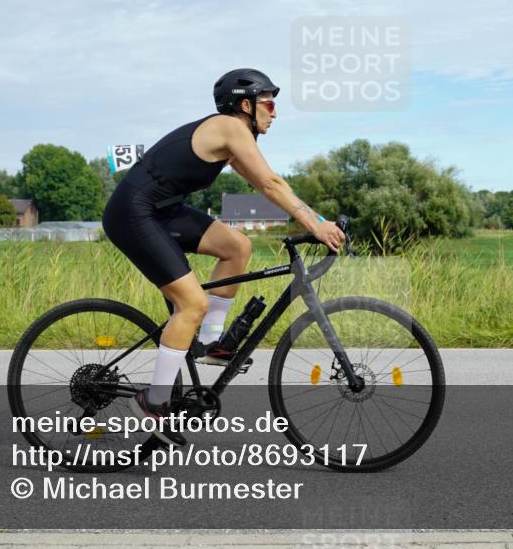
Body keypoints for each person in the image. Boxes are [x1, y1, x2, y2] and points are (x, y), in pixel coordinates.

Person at [101, 68, 346, 446]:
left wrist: (313, 219)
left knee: (238, 247)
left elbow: (264, 185)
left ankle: (211, 344)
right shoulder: (229, 127)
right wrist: (315, 223)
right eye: (269, 103)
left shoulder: (233, 137)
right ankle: (152, 403)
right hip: (133, 212)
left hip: (163, 210)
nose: (274, 112)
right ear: (244, 105)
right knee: (192, 304)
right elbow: (271, 183)